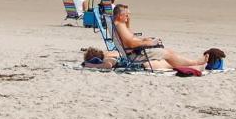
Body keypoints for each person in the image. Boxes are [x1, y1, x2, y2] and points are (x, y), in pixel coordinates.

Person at [110, 4, 211, 71]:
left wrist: (144, 39)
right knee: (168, 54)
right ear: (120, 15)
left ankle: (193, 64)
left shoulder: (119, 25)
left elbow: (130, 38)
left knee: (169, 52)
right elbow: (131, 44)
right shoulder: (120, 26)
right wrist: (149, 44)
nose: (128, 17)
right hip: (136, 55)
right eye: (127, 15)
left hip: (135, 52)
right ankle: (196, 63)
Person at [82, 45, 225, 71]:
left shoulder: (109, 56)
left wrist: (89, 64)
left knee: (171, 62)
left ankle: (200, 63)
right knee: (172, 64)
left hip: (142, 63)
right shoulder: (109, 58)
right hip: (142, 65)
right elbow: (108, 65)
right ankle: (200, 63)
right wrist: (91, 66)